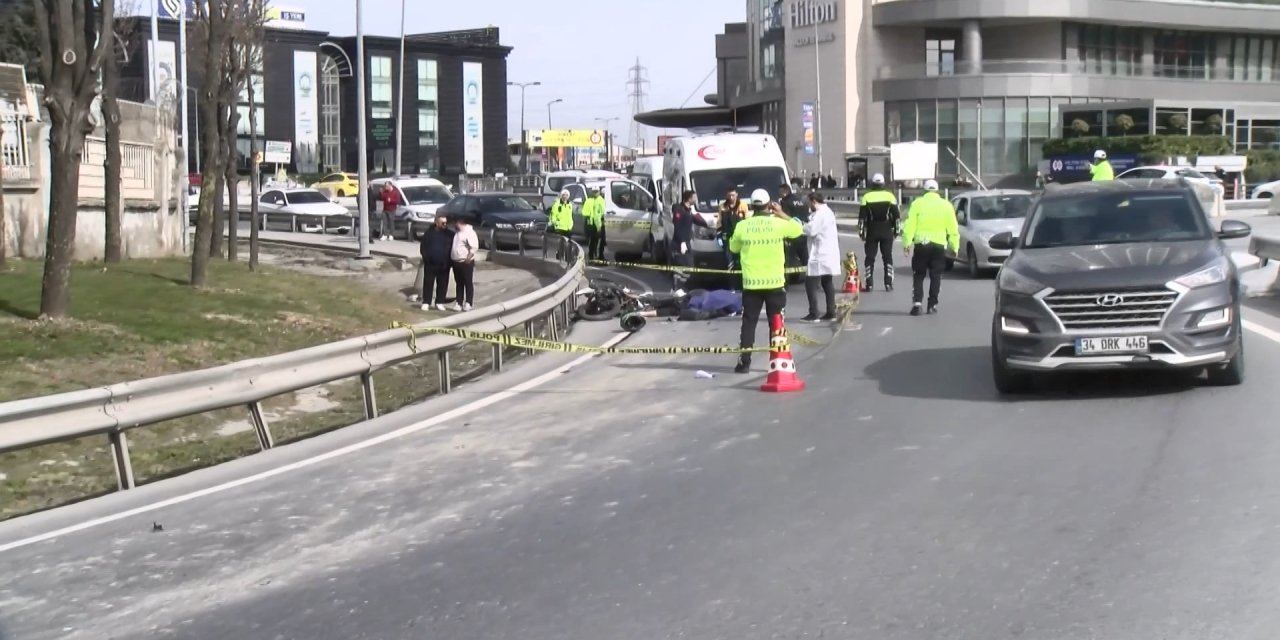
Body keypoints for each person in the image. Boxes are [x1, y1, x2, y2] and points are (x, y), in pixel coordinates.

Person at [730, 188, 804, 374]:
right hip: (775, 283)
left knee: (749, 323)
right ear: (769, 204)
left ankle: (744, 362)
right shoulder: (778, 224)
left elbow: (733, 247)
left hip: (751, 284)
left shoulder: (742, 226)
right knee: (777, 324)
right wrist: (781, 213)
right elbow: (798, 228)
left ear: (752, 205)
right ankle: (777, 362)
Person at [901, 179, 959, 316]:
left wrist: (906, 244)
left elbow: (909, 225)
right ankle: (932, 305)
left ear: (924, 191)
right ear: (937, 191)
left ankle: (917, 304)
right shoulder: (946, 205)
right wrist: (954, 247)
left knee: (919, 274)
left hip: (921, 244)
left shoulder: (917, 204)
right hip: (939, 245)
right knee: (936, 275)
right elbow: (953, 228)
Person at [858, 173, 902, 292]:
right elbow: (897, 217)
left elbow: (862, 218)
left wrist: (861, 232)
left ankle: (869, 284)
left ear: (872, 183)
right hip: (886, 230)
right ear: (883, 184)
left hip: (872, 230)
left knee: (870, 257)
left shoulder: (866, 197)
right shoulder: (890, 196)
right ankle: (888, 284)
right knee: (887, 257)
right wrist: (897, 231)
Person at [801, 192, 841, 322]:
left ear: (814, 201)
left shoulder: (820, 214)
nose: (808, 206)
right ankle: (831, 312)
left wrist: (801, 226)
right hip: (828, 253)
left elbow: (811, 230)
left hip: (821, 254)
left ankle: (814, 313)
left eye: (809, 203)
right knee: (827, 282)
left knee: (810, 283)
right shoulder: (827, 212)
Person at [418, 213, 455, 311]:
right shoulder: (429, 233)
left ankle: (439, 302)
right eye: (442, 223)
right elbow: (423, 247)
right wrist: (426, 258)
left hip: (444, 264)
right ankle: (426, 302)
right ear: (436, 222)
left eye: (446, 223)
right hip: (430, 264)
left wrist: (450, 261)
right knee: (428, 283)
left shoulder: (450, 235)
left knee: (443, 284)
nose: (444, 225)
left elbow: (453, 248)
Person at [670, 189, 708, 269]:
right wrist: (682, 242)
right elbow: (677, 226)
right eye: (695, 197)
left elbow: (695, 220)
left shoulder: (688, 210)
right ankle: (679, 276)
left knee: (687, 265)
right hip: (679, 243)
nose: (696, 199)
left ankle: (682, 275)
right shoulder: (679, 210)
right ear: (689, 199)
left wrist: (708, 224)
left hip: (686, 242)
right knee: (683, 264)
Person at [777, 182, 810, 275]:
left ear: (785, 192)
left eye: (780, 192)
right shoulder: (800, 200)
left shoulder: (785, 202)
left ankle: (791, 276)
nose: (779, 194)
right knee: (804, 256)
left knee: (790, 257)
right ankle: (809, 274)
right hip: (803, 231)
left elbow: (784, 218)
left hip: (792, 233)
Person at [449, 218, 479, 312]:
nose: (454, 225)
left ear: (459, 223)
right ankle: (459, 302)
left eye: (455, 223)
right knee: (459, 283)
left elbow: (474, 247)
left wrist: (468, 258)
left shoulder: (469, 232)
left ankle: (468, 303)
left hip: (465, 262)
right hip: (456, 261)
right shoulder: (457, 233)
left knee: (467, 282)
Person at [548, 189, 575, 259]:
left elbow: (570, 216)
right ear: (561, 196)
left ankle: (567, 259)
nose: (565, 197)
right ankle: (559, 258)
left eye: (566, 195)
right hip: (559, 228)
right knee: (560, 245)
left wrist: (571, 224)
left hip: (568, 228)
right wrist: (555, 223)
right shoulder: (557, 204)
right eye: (563, 195)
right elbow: (553, 215)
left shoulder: (570, 204)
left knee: (568, 245)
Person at [582, 187, 607, 260]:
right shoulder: (589, 200)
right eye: (594, 191)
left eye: (597, 191)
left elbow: (602, 212)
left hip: (600, 223)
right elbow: (584, 212)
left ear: (599, 192)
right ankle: (592, 256)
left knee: (601, 241)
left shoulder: (601, 200)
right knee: (592, 241)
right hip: (591, 224)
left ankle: (600, 256)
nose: (595, 193)